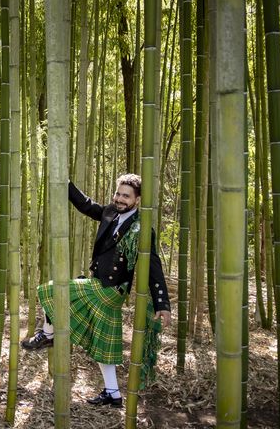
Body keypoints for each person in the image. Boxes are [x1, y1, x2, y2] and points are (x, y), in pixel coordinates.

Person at [22, 173, 171, 408]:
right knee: (104, 344)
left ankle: (48, 334)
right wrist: (65, 181)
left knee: (52, 289)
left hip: (111, 289)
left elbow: (153, 266)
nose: (120, 199)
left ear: (137, 199)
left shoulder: (141, 229)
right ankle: (113, 394)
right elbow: (86, 204)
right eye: (118, 193)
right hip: (98, 282)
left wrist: (162, 303)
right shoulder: (110, 212)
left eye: (126, 196)